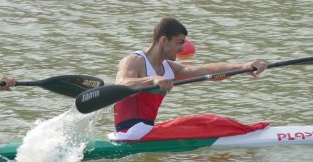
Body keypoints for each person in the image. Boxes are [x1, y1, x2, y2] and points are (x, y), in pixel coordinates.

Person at [109, 16, 268, 141]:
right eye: (180, 42)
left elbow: (206, 71)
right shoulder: (135, 60)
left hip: (146, 131)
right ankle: (250, 133)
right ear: (164, 40)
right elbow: (123, 84)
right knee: (206, 123)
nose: (183, 48)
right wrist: (153, 80)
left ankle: (246, 131)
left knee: (207, 122)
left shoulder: (169, 68)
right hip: (129, 133)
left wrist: (243, 67)